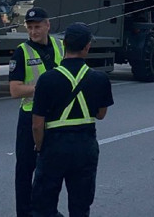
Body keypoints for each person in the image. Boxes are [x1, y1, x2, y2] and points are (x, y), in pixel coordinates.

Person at [31, 22, 114, 217]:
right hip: (85, 145)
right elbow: (101, 115)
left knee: (43, 204)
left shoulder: (47, 79)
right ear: (87, 47)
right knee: (80, 206)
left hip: (54, 145)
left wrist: (40, 146)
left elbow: (37, 123)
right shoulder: (100, 78)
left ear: (64, 44)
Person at [8, 7, 64, 217]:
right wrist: (43, 88)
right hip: (30, 116)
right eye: (30, 28)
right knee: (25, 168)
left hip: (55, 116)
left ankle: (46, 210)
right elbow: (15, 90)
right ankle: (24, 212)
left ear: (48, 25)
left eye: (37, 27)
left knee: (51, 169)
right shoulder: (21, 51)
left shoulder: (60, 46)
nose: (34, 32)